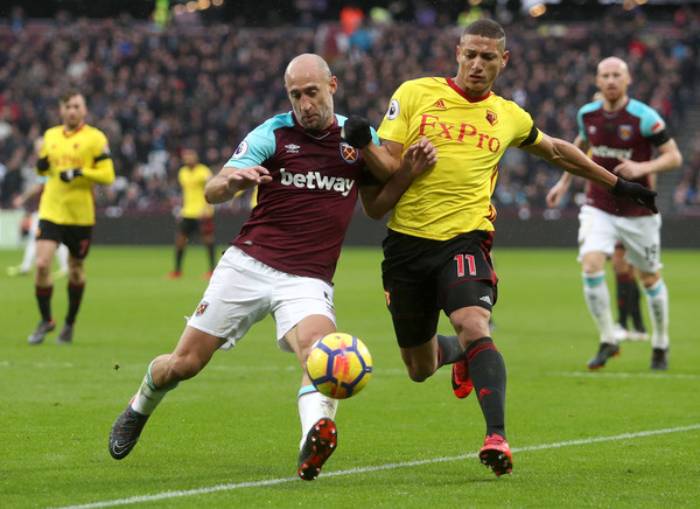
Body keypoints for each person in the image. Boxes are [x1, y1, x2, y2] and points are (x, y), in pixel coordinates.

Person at [341, 20, 656, 477]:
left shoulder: (508, 115)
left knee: (474, 323)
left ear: (503, 61)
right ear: (457, 53)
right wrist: (368, 145)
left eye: (488, 57)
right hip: (407, 245)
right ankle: (460, 355)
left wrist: (619, 184)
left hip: (465, 239)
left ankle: (497, 437)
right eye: (470, 54)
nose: (477, 64)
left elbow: (558, 151)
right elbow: (388, 165)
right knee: (419, 365)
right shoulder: (414, 93)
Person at [108, 53, 435, 481]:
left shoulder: (357, 138)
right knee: (184, 364)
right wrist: (235, 181)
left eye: (312, 93)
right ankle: (140, 405)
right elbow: (212, 190)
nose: (305, 104)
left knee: (322, 351)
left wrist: (406, 170)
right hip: (248, 265)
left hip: (307, 278)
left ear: (332, 86)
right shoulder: (274, 132)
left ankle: (313, 438)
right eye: (296, 95)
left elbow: (379, 197)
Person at [546, 56, 682, 371]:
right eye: (605, 75)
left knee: (649, 278)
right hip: (599, 205)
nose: (610, 80)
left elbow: (674, 157)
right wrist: (564, 182)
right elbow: (577, 150)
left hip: (638, 211)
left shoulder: (645, 118)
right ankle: (609, 339)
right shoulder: (587, 115)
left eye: (616, 75)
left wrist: (642, 167)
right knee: (591, 264)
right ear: (597, 81)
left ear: (628, 79)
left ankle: (660, 342)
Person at [28, 90, 115, 345]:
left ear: (84, 110)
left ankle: (69, 323)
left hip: (80, 216)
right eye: (68, 106)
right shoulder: (50, 135)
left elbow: (108, 175)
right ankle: (46, 320)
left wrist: (79, 173)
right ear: (61, 110)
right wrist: (40, 163)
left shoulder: (96, 138)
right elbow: (42, 168)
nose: (72, 111)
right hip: (52, 210)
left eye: (77, 106)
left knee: (76, 271)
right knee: (42, 264)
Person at [168, 149, 216, 279]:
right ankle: (177, 271)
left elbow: (211, 189)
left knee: (208, 241)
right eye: (186, 157)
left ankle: (212, 270)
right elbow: (185, 192)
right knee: (180, 240)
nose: (188, 159)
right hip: (187, 212)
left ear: (196, 158)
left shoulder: (204, 171)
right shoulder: (182, 172)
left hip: (203, 212)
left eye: (190, 156)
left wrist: (207, 207)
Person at [7, 178, 69, 279]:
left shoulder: (49, 169)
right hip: (51, 211)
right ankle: (26, 266)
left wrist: (22, 198)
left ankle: (65, 267)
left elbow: (37, 187)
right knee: (42, 239)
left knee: (44, 239)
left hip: (46, 212)